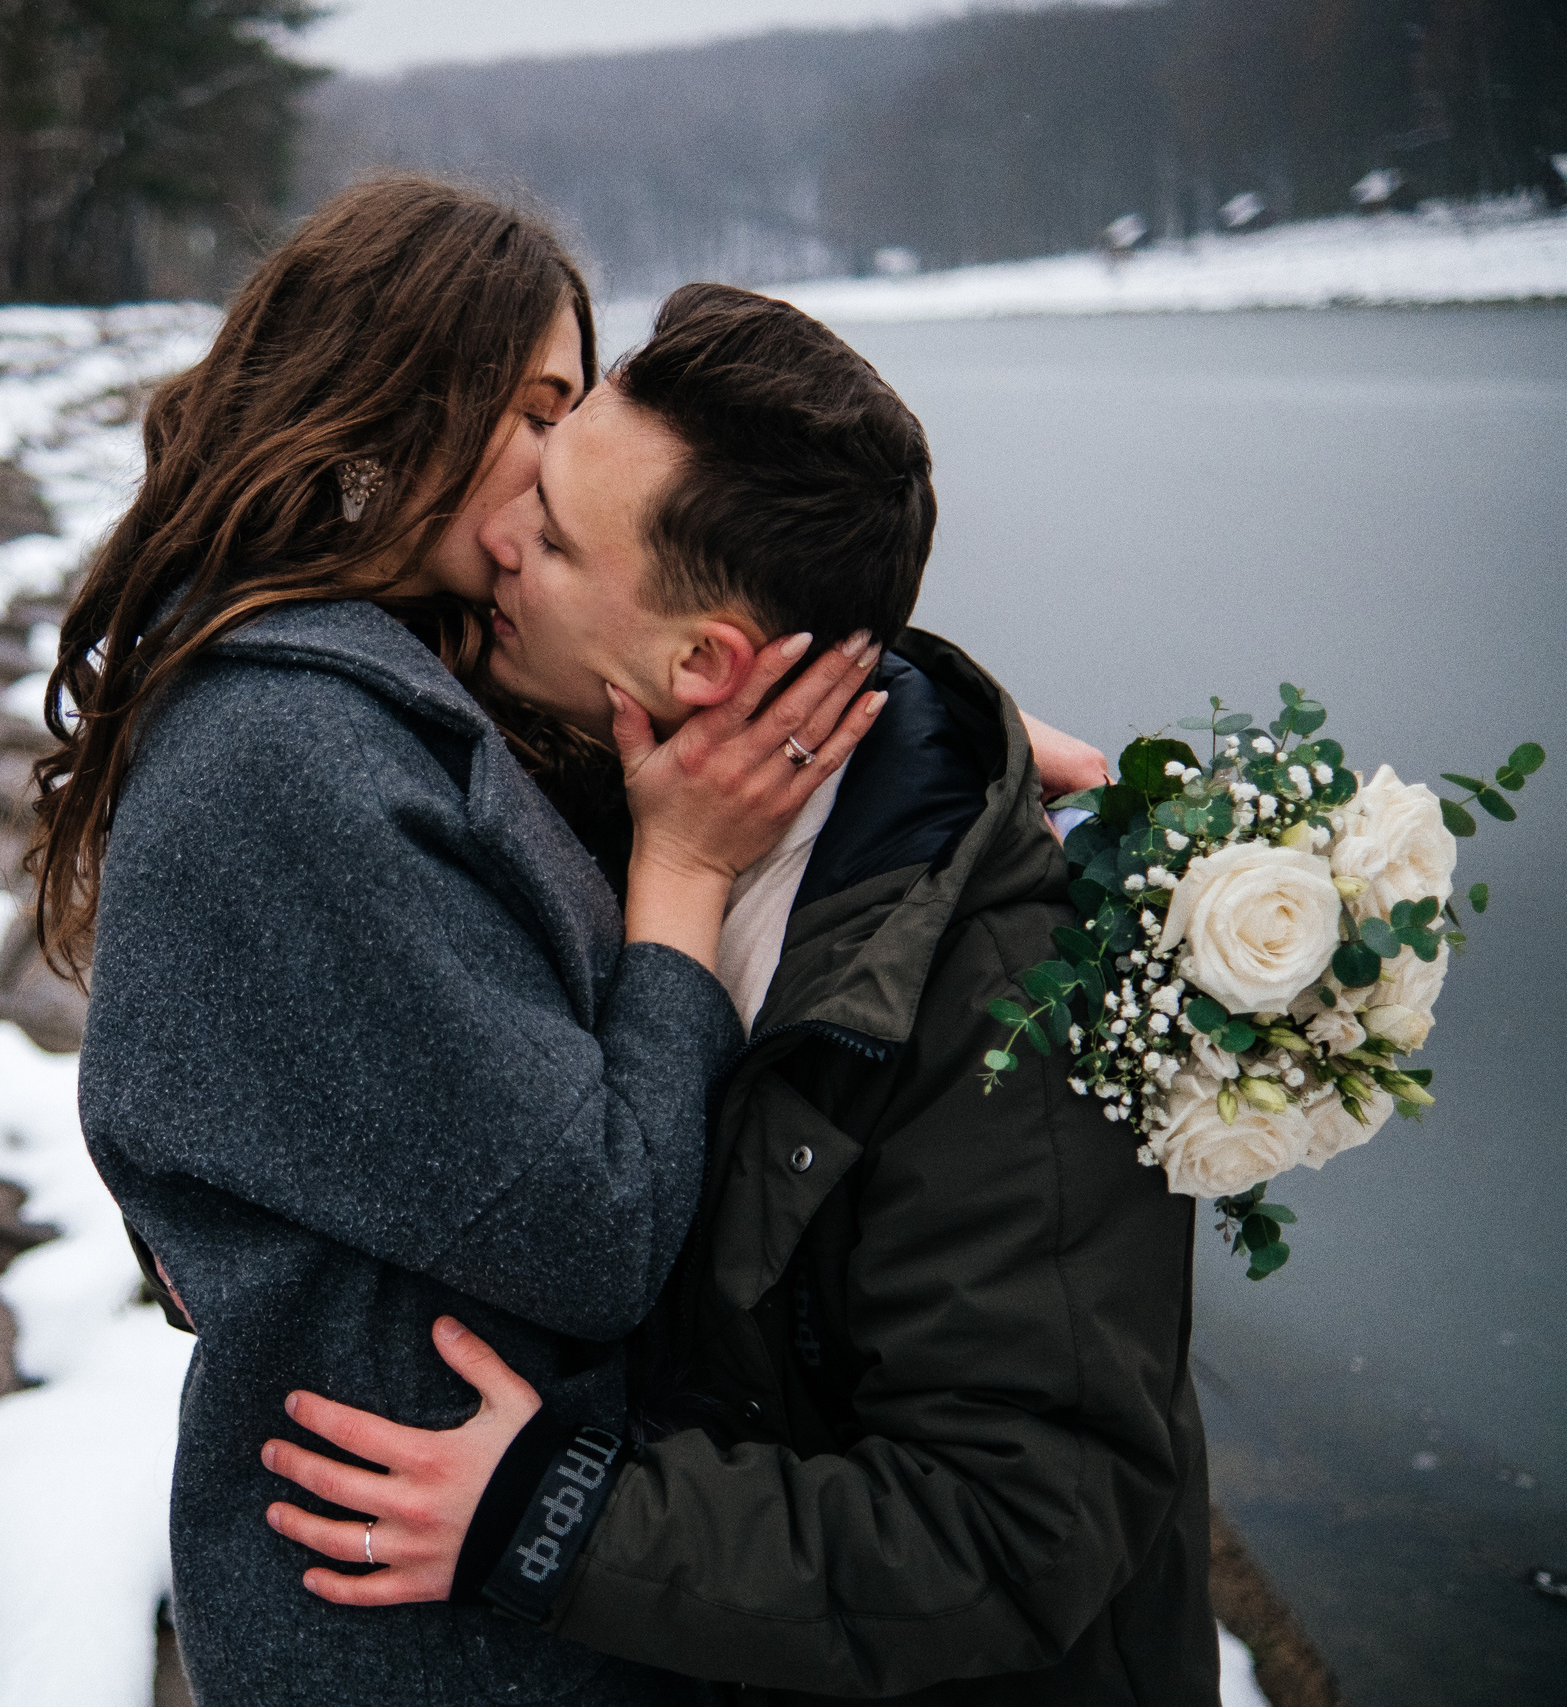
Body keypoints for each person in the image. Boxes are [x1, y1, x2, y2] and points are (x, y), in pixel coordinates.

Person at [258, 284, 1216, 1705]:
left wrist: (557, 1518)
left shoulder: (1013, 1004)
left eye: (557, 536)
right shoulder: (585, 766)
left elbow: (1017, 1530)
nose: (499, 536)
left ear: (705, 665)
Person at [31, 174, 890, 1706]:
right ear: (397, 393)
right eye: (543, 408)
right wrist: (685, 883)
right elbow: (600, 1224)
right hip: (427, 1637)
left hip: (471, 1579)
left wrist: (925, 736)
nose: (572, 461)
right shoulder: (292, 750)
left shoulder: (384, 676)